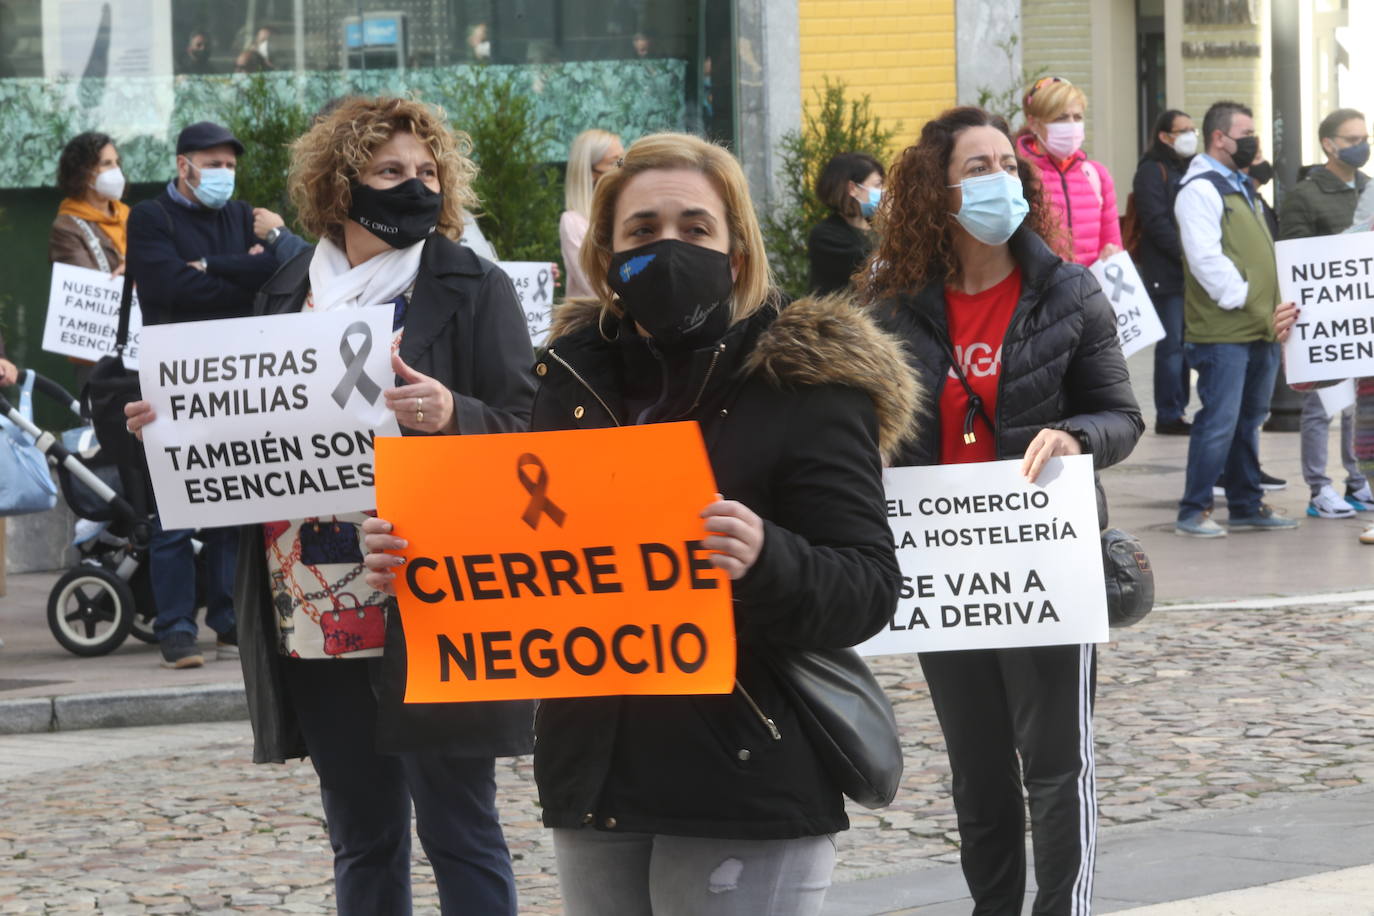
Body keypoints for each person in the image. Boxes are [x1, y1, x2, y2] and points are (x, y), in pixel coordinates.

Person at [363, 131, 917, 915]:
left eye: (694, 228)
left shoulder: (808, 384)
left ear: (735, 249)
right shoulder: (574, 376)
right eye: (641, 231)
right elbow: (532, 551)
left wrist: (765, 557)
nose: (668, 247)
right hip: (597, 771)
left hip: (746, 768)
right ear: (607, 253)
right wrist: (419, 558)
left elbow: (867, 588)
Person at [126, 96, 536, 913]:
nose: (412, 186)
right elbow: (248, 427)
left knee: (461, 827)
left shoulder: (471, 284)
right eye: (390, 171)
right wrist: (174, 430)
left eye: (426, 172)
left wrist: (455, 415)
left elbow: (530, 433)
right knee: (362, 832)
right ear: (340, 185)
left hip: (434, 592)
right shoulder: (283, 291)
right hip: (313, 600)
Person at [865, 105, 1142, 916]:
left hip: (1046, 561)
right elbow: (862, 424)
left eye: (1006, 167)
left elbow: (1122, 416)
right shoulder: (894, 306)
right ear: (937, 192)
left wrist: (1071, 434)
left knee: (1057, 764)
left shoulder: (1066, 288)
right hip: (947, 568)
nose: (1000, 181)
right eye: (977, 169)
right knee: (978, 770)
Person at [124, 121, 278, 668]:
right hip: (174, 380)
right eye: (212, 164)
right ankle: (176, 629)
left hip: (235, 376)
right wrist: (241, 274)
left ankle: (230, 620)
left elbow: (274, 272)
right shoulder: (151, 217)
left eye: (230, 165)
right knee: (174, 509)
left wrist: (213, 267)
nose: (223, 175)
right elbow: (166, 285)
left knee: (234, 504)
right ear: (183, 165)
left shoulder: (241, 216)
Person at [1173, 101, 1297, 537]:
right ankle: (1194, 510)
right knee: (1219, 419)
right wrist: (1246, 296)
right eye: (1244, 133)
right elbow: (1205, 258)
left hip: (1258, 325)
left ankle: (1245, 504)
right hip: (1223, 330)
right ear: (1219, 138)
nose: (1252, 141)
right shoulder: (1200, 190)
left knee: (1248, 419)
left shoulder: (1238, 186)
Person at [1279, 108, 1372, 520]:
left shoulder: (1369, 187)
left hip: (1362, 315)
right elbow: (1297, 256)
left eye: (1364, 137)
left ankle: (1357, 478)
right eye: (1352, 139)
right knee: (1322, 405)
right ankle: (1319, 486)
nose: (1361, 146)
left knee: (1359, 405)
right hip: (1325, 320)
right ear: (1329, 144)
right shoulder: (1306, 195)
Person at [48, 131, 129, 390]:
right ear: (83, 172)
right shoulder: (67, 227)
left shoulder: (130, 215)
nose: (116, 170)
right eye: (106, 164)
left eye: (116, 162)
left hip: (140, 345)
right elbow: (88, 287)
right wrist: (135, 273)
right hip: (97, 355)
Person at [1132, 109, 1196, 435]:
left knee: (1185, 345)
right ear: (1164, 136)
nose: (1189, 134)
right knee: (1171, 345)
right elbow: (1155, 221)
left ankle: (1179, 410)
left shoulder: (1189, 168)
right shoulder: (1151, 171)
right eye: (1182, 130)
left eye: (1192, 128)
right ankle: (1168, 414)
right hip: (1166, 271)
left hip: (1189, 272)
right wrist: (1188, 254)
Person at [1017, 76, 1122, 267]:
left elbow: (1113, 244)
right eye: (1061, 118)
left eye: (1077, 117)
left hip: (1089, 290)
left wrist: (1111, 253)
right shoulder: (1019, 175)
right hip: (1041, 292)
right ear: (1033, 123)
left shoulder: (1096, 175)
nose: (1071, 125)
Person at [807, 151, 884, 295]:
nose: (883, 191)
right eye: (877, 185)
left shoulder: (875, 226)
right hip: (842, 315)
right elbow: (872, 267)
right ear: (853, 188)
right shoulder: (826, 235)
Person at [560, 129, 623, 299]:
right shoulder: (573, 222)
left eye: (623, 160)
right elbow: (596, 287)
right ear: (590, 172)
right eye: (615, 162)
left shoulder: (627, 215)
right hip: (598, 321)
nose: (623, 169)